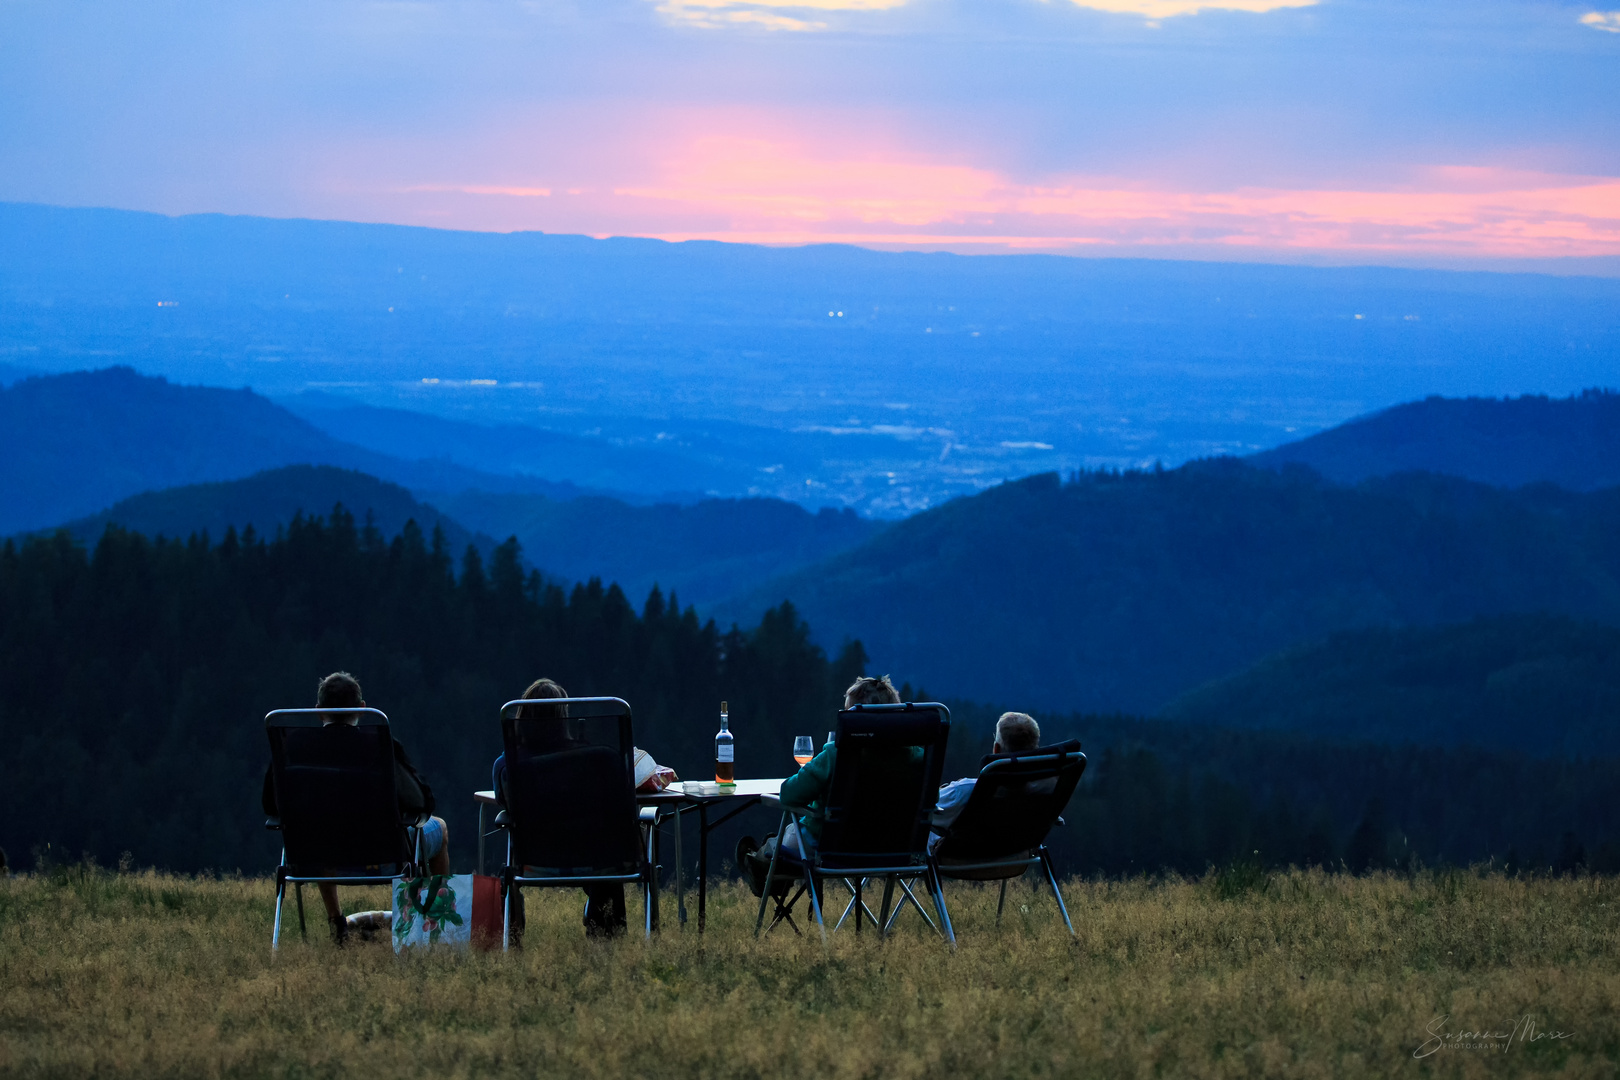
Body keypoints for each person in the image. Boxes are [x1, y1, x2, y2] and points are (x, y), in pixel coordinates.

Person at [261, 671, 449, 944]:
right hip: (384, 855)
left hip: (312, 856)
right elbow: (421, 802)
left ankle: (336, 922)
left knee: (319, 832)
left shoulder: (292, 748)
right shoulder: (380, 746)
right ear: (361, 709)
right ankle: (433, 926)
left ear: (318, 711)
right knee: (439, 828)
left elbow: (270, 805)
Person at [493, 677, 627, 939]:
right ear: (564, 719)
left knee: (506, 870)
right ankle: (606, 937)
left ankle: (513, 944)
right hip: (593, 861)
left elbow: (503, 801)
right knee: (611, 846)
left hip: (534, 861)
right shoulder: (598, 760)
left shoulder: (508, 766)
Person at [738, 675, 903, 887]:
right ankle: (767, 857)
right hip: (895, 848)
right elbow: (931, 799)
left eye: (847, 713)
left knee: (786, 839)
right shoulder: (916, 756)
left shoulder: (838, 755)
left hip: (835, 847)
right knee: (786, 839)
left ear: (857, 718)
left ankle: (761, 861)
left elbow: (789, 794)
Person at [928, 711, 1042, 852]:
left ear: (996, 749)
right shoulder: (1040, 794)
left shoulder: (965, 791)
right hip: (1011, 855)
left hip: (961, 858)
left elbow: (924, 810)